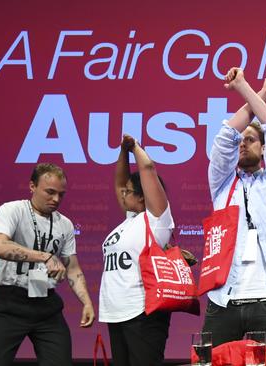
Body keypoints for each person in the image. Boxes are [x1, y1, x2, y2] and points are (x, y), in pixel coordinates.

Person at [202, 67, 266, 353]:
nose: (242, 144)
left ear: (263, 149)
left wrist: (245, 88)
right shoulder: (221, 183)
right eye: (240, 141)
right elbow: (226, 135)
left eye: (250, 140)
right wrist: (258, 93)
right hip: (222, 300)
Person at [0, 163, 94, 366]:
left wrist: (86, 302)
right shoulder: (13, 210)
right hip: (9, 302)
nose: (56, 199)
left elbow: (73, 267)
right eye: (50, 192)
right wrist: (44, 256)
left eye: (61, 194)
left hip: (45, 305)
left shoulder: (65, 224)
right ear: (32, 186)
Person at [98, 134, 175, 366]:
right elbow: (120, 182)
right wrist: (122, 152)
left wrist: (135, 147)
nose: (123, 194)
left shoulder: (157, 220)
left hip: (143, 313)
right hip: (117, 313)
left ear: (142, 197)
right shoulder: (129, 220)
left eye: (129, 192)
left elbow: (149, 168)